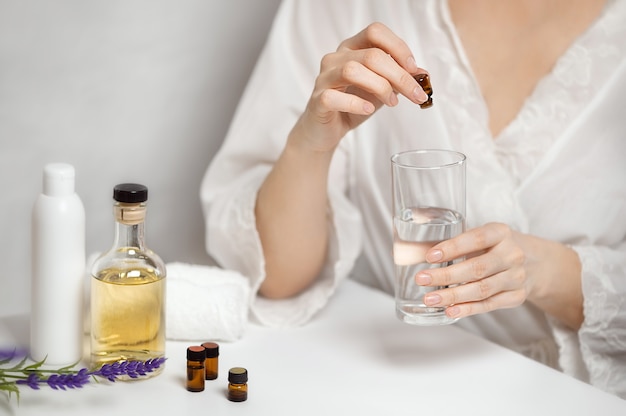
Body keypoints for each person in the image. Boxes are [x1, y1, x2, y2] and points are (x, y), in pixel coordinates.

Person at [200, 0, 626, 398]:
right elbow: (277, 277)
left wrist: (546, 270)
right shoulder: (346, 9)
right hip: (386, 380)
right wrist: (310, 146)